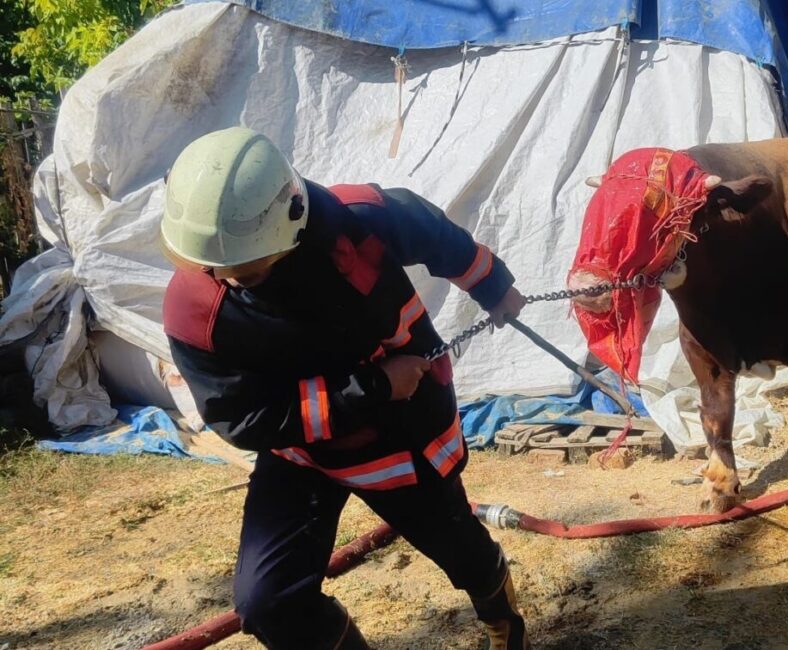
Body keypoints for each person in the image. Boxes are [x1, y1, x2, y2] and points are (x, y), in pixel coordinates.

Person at [160, 127, 531, 649]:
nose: (232, 278)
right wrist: (375, 386)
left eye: (248, 268)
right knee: (269, 601)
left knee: (461, 550)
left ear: (292, 219)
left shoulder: (356, 221)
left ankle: (504, 623)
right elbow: (244, 417)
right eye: (219, 268)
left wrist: (493, 285)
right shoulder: (197, 311)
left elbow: (429, 229)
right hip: (303, 455)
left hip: (404, 440)